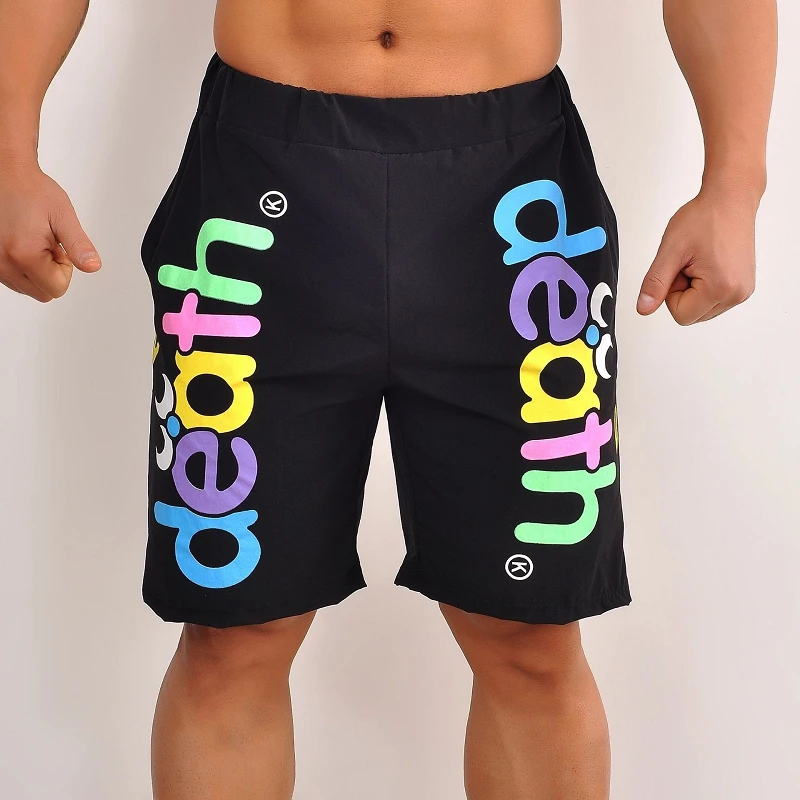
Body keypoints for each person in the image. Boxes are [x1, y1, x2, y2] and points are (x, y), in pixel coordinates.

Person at [0, 1, 777, 798]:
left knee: (530, 636)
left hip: (516, 206)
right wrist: (9, 155)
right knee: (234, 630)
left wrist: (734, 183)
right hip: (260, 188)